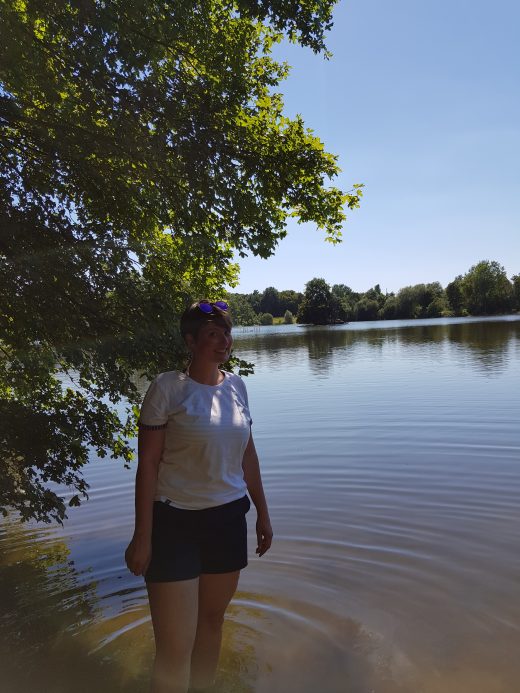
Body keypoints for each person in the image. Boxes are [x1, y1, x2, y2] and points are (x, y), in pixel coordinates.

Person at [125, 300, 273, 693]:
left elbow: (248, 455)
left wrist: (263, 513)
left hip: (226, 521)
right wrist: (143, 535)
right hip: (174, 523)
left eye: (226, 332)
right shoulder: (167, 388)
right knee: (175, 647)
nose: (223, 340)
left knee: (211, 625)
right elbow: (149, 465)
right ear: (190, 341)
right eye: (212, 333)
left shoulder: (237, 386)